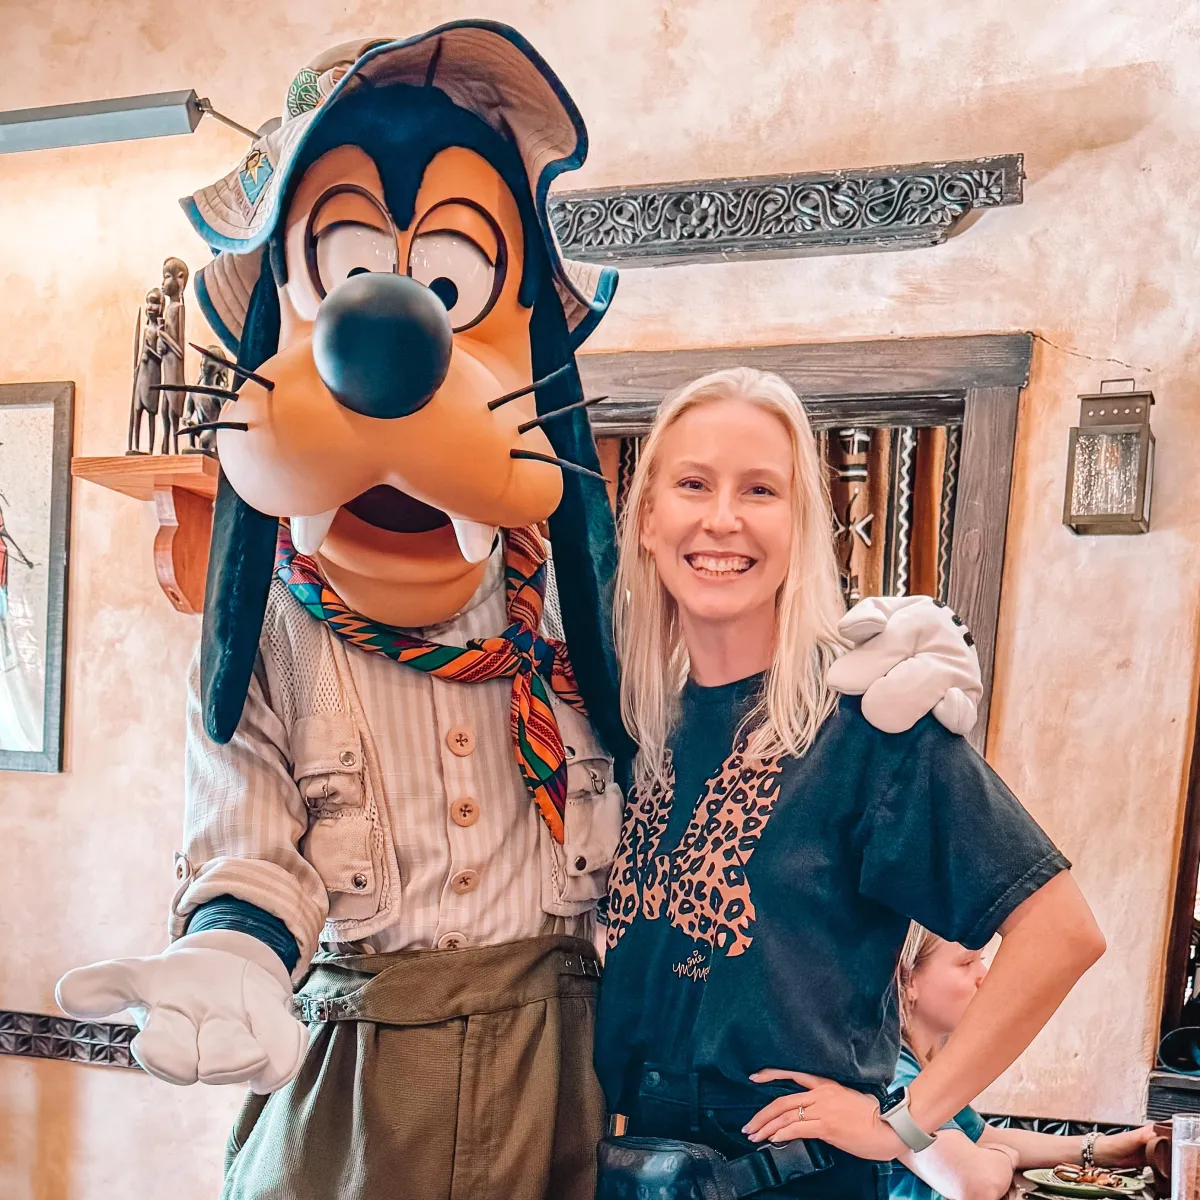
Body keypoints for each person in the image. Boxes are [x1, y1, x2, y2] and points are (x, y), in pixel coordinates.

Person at [593, 366, 1107, 1199]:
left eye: (760, 490)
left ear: (800, 526)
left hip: (791, 1180)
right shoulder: (636, 728)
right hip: (630, 1174)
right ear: (648, 517)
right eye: (693, 484)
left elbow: (1061, 932)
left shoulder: (870, 724)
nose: (721, 518)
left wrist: (905, 1123)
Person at [889, 924, 1154, 1200]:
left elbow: (981, 1136)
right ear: (908, 979)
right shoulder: (895, 1073)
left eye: (980, 960)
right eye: (966, 963)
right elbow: (975, 1184)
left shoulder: (921, 1065)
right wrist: (1004, 1157)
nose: (984, 976)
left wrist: (1106, 1149)